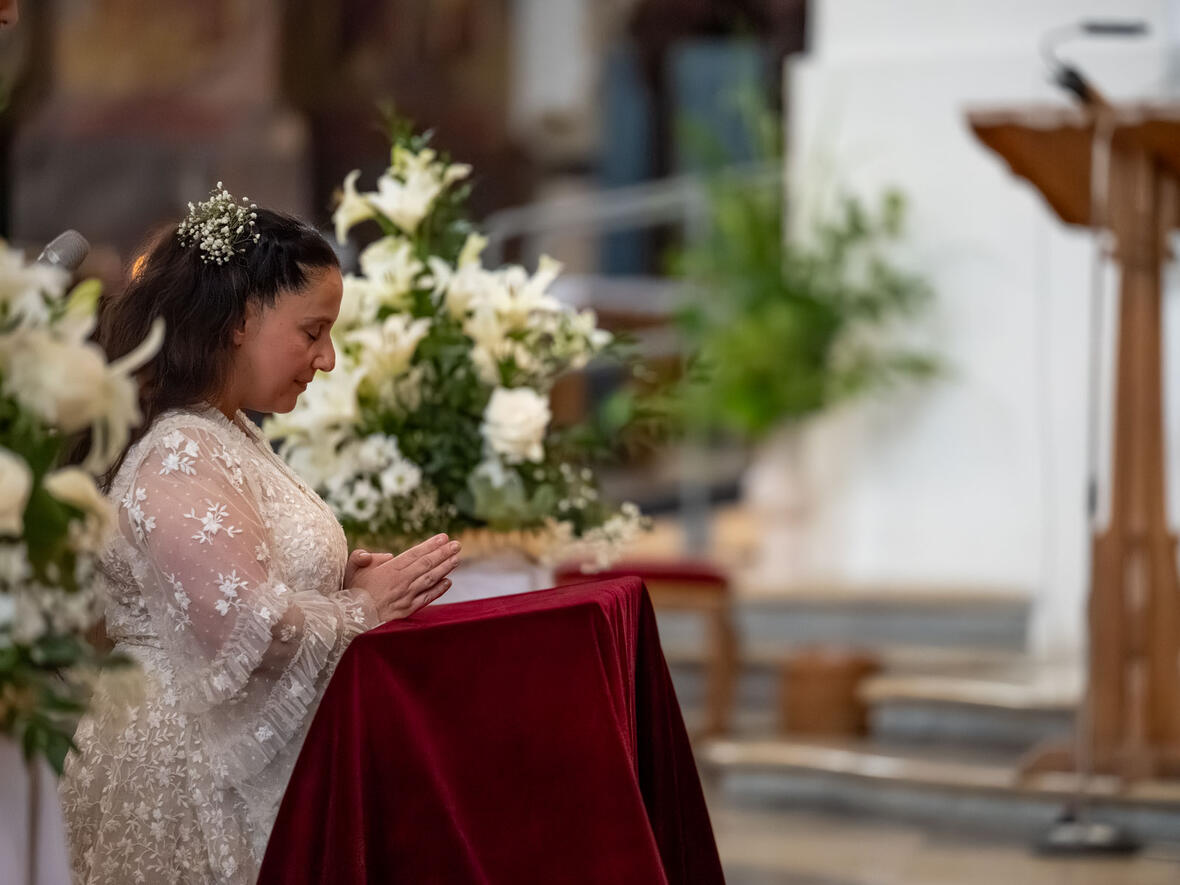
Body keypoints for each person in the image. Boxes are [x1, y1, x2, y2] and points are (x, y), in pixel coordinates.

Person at [59, 185, 460, 884]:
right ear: (243, 317)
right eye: (313, 331)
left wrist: (334, 584)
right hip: (183, 775)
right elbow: (243, 624)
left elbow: (239, 581)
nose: (328, 358)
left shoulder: (223, 430)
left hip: (211, 757)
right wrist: (367, 606)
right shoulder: (180, 446)